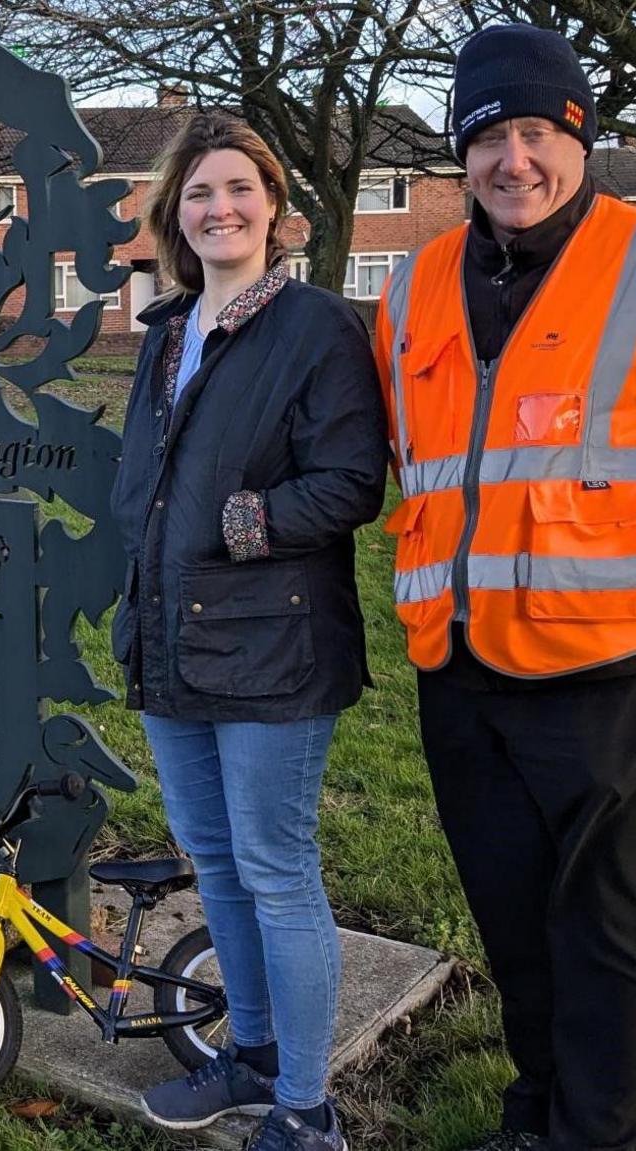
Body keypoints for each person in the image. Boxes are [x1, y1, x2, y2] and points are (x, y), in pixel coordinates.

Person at [373, 25, 636, 1151]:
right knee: (512, 915)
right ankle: (535, 1112)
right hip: (458, 661)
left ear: (577, 139)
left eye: (535, 133)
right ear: (460, 155)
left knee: (603, 923)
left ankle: (593, 1134)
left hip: (618, 662)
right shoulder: (415, 284)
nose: (512, 161)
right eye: (487, 139)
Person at [111, 113, 388, 1151]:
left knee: (275, 867)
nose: (217, 207)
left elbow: (351, 481)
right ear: (173, 216)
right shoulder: (167, 327)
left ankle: (307, 1109)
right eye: (197, 193)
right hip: (169, 637)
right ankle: (258, 1052)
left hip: (270, 644)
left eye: (236, 188)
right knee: (214, 861)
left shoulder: (315, 326)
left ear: (274, 206)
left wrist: (243, 522)